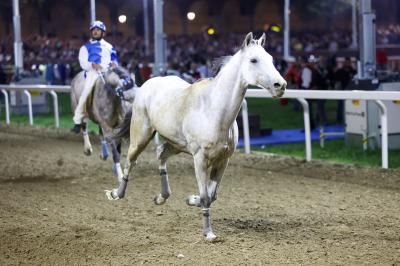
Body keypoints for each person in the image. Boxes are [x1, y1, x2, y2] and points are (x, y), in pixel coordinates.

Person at [72, 20, 133, 133]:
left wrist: (114, 63)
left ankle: (127, 111)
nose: (95, 32)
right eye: (93, 30)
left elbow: (114, 59)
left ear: (103, 33)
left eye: (98, 30)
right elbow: (83, 63)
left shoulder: (109, 47)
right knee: (86, 92)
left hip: (108, 71)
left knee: (122, 85)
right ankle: (78, 119)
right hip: (92, 73)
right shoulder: (85, 48)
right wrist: (92, 65)